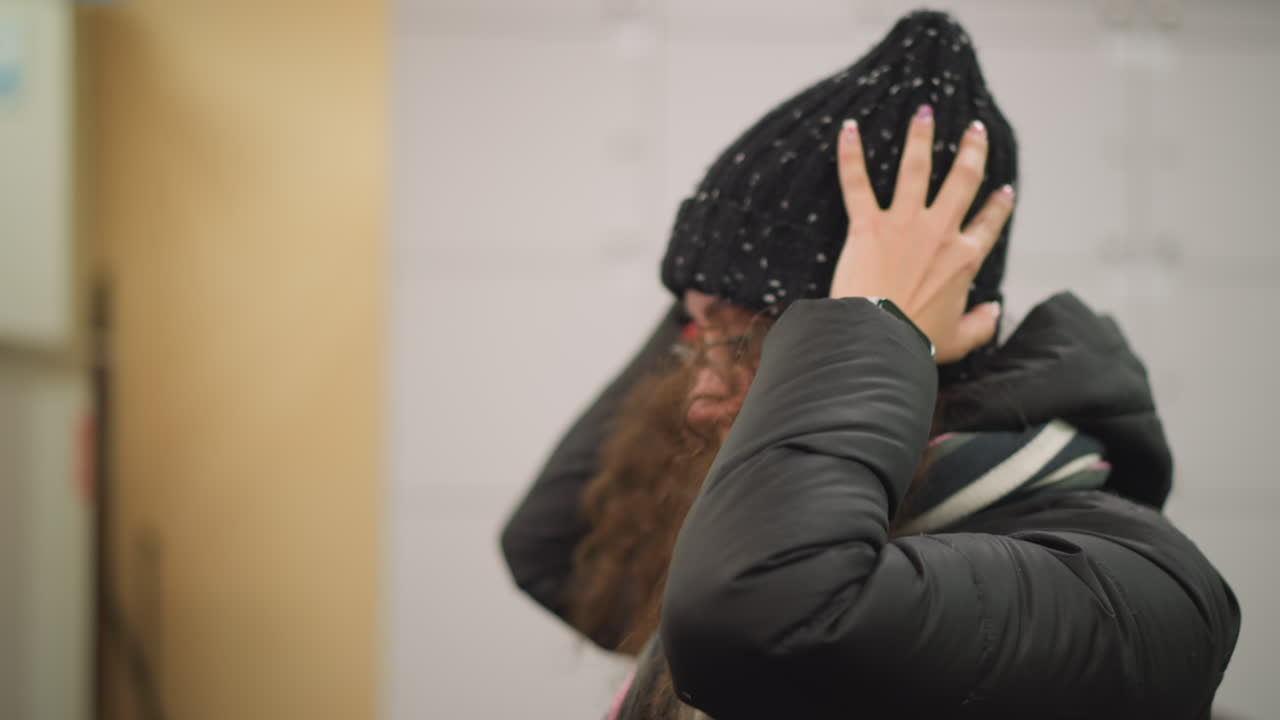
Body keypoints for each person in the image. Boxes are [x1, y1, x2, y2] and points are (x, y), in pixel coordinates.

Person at [501, 10, 1240, 719]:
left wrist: (867, 316)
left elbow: (760, 624)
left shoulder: (1134, 587)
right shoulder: (764, 519)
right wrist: (721, 279)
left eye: (742, 342)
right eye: (694, 337)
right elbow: (554, 545)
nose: (694, 399)